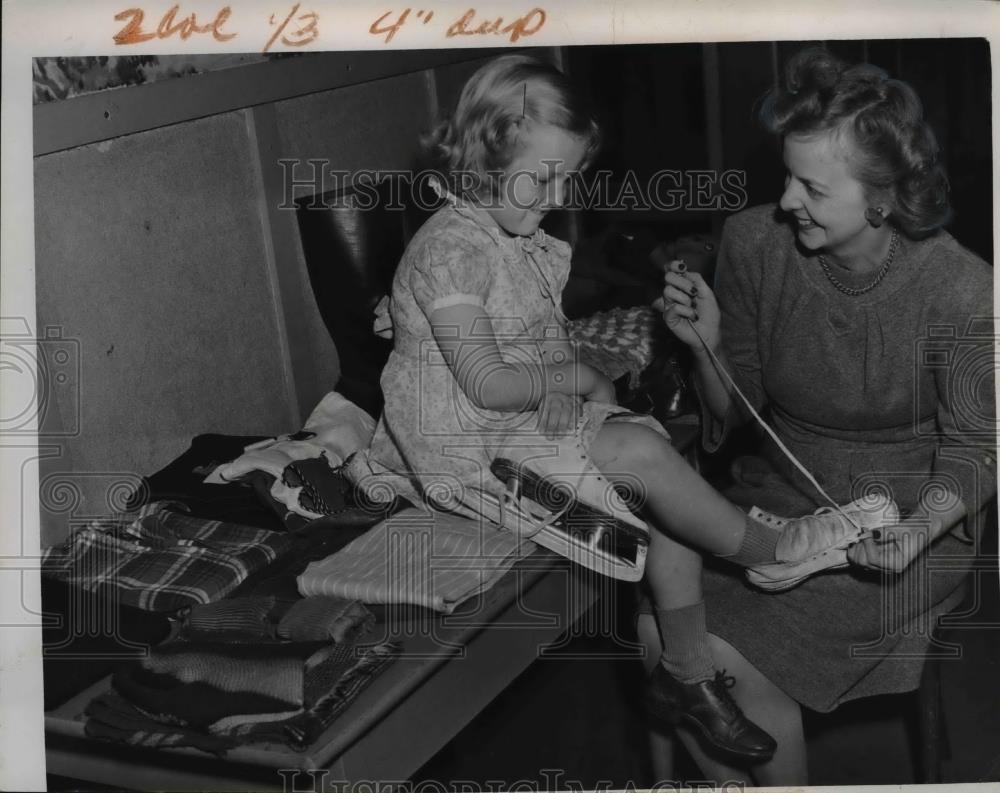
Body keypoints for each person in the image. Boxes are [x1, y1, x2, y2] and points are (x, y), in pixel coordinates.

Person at [347, 53, 904, 765]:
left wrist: (577, 388)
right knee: (642, 458)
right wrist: (574, 378)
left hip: (511, 423)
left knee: (659, 476)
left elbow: (528, 343)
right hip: (463, 448)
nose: (556, 193)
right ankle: (775, 553)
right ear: (484, 154)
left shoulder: (514, 238)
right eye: (542, 175)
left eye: (567, 178)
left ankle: (689, 676)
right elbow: (487, 382)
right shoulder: (453, 247)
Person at [654, 46, 996, 785]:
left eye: (811, 186)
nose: (784, 201)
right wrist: (707, 347)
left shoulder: (963, 288)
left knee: (729, 659)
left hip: (907, 520)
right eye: (786, 175)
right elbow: (733, 411)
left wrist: (913, 530)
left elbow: (976, 449)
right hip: (776, 496)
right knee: (662, 631)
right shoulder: (751, 244)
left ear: (881, 198)